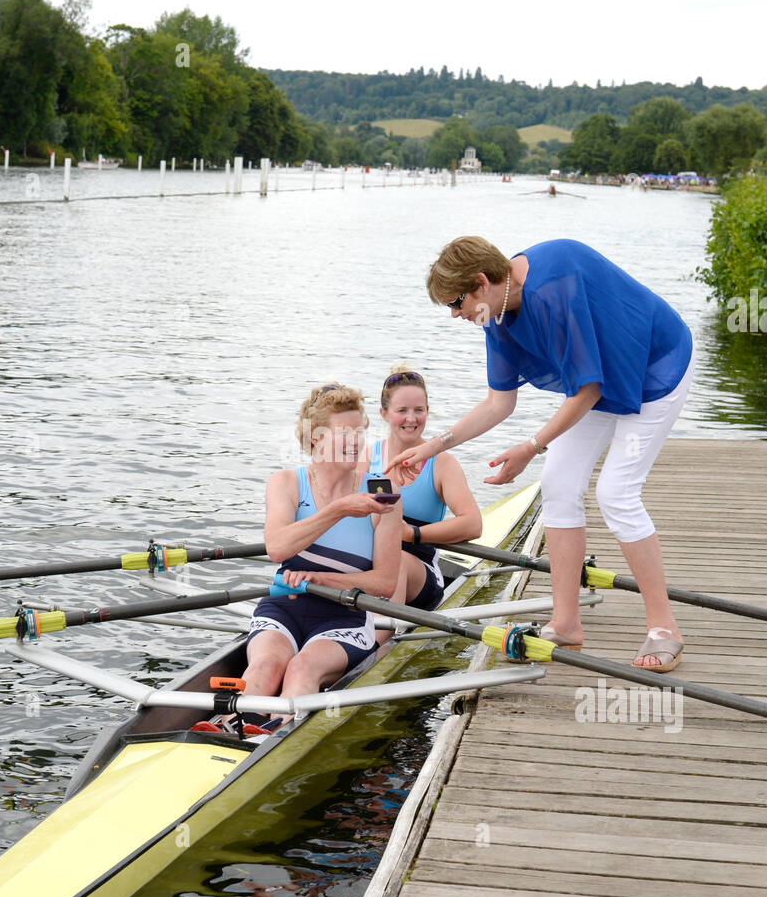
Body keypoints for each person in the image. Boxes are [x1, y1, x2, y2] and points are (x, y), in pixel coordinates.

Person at [385, 236, 695, 672]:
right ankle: (566, 623)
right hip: (602, 380)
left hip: (656, 367)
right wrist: (430, 448)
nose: (455, 315)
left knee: (616, 492)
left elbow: (587, 390)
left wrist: (531, 446)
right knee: (558, 484)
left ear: (481, 281)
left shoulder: (554, 288)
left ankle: (665, 628)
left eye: (457, 302)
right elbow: (498, 403)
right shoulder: (494, 312)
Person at [241, 383, 402, 726]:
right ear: (316, 437)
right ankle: (238, 726)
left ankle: (269, 738)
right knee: (265, 667)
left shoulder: (382, 492)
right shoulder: (286, 483)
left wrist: (321, 579)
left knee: (302, 668)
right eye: (345, 433)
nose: (356, 441)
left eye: (360, 432)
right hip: (284, 606)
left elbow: (385, 584)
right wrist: (341, 509)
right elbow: (278, 549)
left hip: (345, 616)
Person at [366, 366, 482, 612]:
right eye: (402, 411)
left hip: (419, 570)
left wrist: (412, 534)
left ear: (428, 412)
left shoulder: (442, 464)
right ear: (384, 414)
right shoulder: (367, 457)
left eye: (419, 410)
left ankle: (381, 641)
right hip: (371, 563)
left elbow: (473, 524)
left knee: (393, 563)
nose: (411, 419)